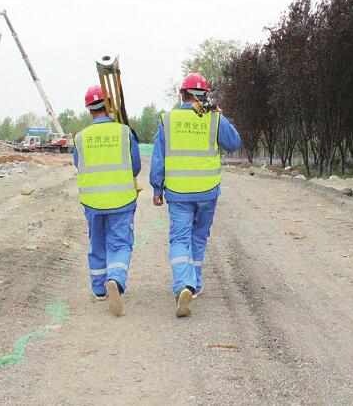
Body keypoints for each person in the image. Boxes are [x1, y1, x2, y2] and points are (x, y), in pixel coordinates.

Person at [150, 73, 241, 317]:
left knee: (180, 239)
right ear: (205, 95)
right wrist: (220, 115)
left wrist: (157, 188)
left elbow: (159, 158)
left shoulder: (167, 120)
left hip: (179, 192)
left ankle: (183, 284)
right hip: (207, 192)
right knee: (199, 236)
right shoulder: (213, 118)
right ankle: (196, 283)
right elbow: (234, 143)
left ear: (181, 94)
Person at [73, 85, 141, 316]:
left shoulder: (80, 138)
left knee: (97, 243)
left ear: (89, 110)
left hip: (92, 201)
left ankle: (99, 290)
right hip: (121, 200)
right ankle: (115, 279)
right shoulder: (124, 132)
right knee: (120, 243)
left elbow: (78, 164)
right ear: (109, 104)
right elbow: (136, 166)